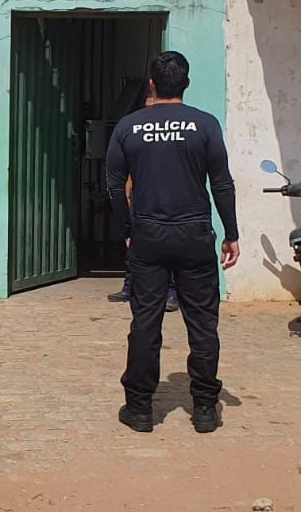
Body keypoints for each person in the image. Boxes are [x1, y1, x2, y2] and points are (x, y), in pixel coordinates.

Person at [106, 52, 240, 434]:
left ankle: (140, 408)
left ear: (151, 84)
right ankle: (204, 408)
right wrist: (231, 233)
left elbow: (114, 184)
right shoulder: (205, 125)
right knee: (203, 323)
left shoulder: (129, 126)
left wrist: (126, 227)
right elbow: (222, 183)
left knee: (145, 322)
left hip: (148, 235)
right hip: (194, 235)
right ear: (186, 83)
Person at [108, 176, 180, 312]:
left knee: (168, 247)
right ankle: (129, 287)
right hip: (140, 201)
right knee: (133, 246)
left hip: (165, 201)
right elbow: (129, 181)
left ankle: (171, 293)